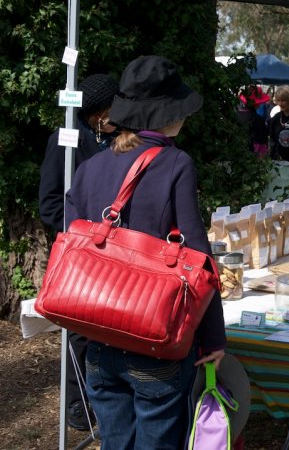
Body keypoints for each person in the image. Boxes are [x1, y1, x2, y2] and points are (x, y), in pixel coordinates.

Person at [64, 55, 226, 448]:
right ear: (166, 114)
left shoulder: (90, 168)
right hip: (155, 341)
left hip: (97, 338)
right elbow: (198, 260)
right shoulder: (175, 164)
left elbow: (71, 242)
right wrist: (213, 339)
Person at [38, 73, 119, 431]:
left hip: (115, 251)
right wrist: (84, 232)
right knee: (80, 329)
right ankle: (77, 402)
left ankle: (105, 394)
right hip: (81, 250)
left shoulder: (116, 139)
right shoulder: (66, 140)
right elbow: (50, 203)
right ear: (98, 111)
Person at [235, 85, 269, 157]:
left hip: (236, 155)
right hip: (252, 158)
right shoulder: (258, 120)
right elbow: (261, 147)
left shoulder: (234, 116)